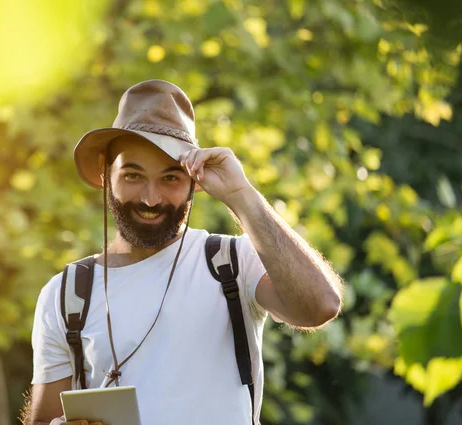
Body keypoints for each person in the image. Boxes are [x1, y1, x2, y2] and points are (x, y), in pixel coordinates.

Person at [23, 80, 343, 425]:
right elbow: (44, 420)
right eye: (133, 175)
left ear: (195, 181)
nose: (151, 198)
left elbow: (320, 306)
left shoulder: (232, 263)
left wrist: (241, 194)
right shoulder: (67, 293)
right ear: (105, 172)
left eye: (171, 178)